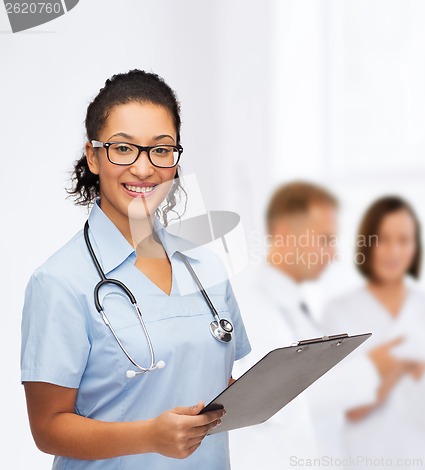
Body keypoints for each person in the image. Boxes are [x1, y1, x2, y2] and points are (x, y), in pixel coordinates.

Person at [21, 69, 251, 470]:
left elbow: (214, 382)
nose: (144, 170)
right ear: (93, 156)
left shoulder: (206, 267)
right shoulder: (59, 282)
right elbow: (48, 428)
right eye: (123, 149)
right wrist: (149, 436)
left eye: (161, 150)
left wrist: (277, 382)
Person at [229, 182, 380, 469]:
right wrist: (372, 374)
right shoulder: (249, 304)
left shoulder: (297, 306)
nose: (333, 254)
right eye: (325, 240)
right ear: (286, 235)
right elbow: (278, 397)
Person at [323, 196, 425, 468]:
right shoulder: (339, 312)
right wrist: (398, 367)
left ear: (415, 247)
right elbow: (349, 410)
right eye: (383, 239)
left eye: (403, 240)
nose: (393, 251)